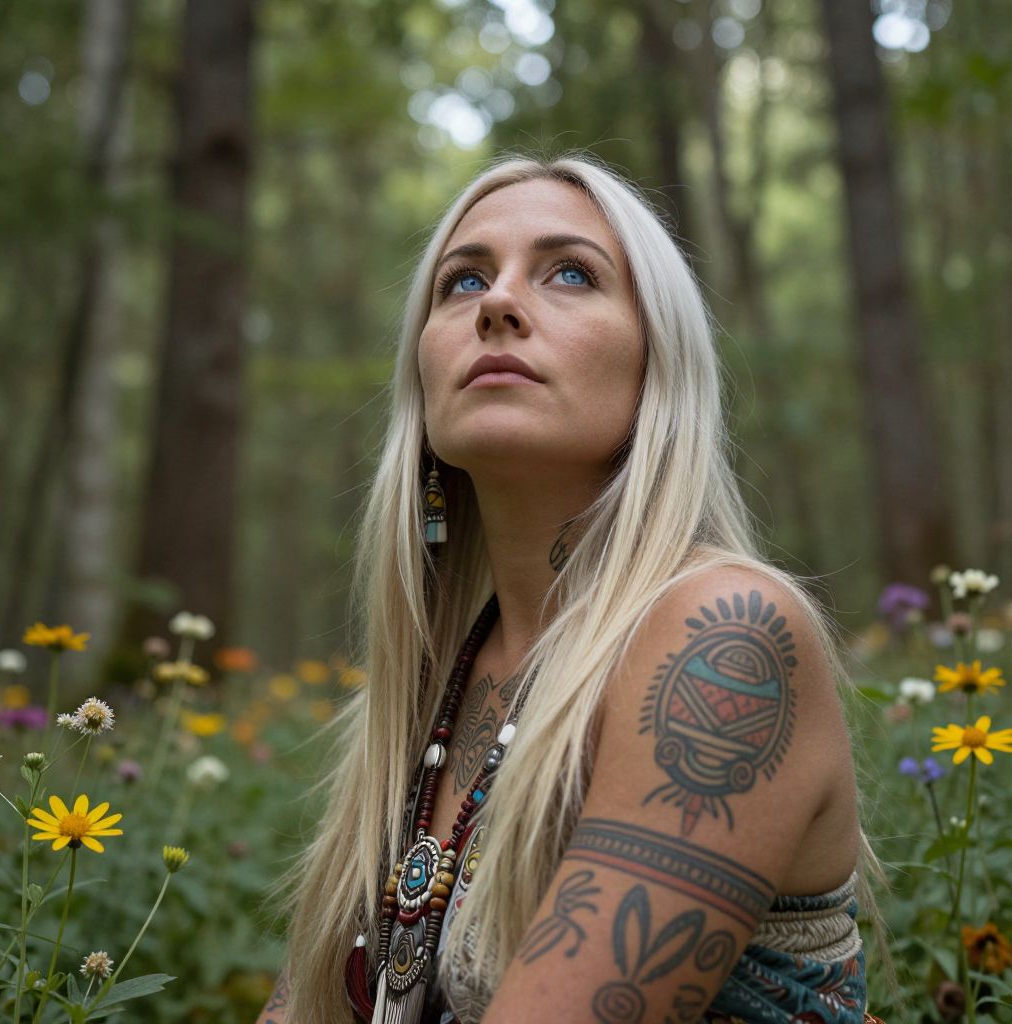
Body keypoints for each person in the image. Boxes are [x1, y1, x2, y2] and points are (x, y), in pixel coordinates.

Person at [258, 153, 881, 1024]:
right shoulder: (430, 692)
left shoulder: (725, 637)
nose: (497, 303)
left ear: (654, 365)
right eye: (462, 279)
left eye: (571, 273)